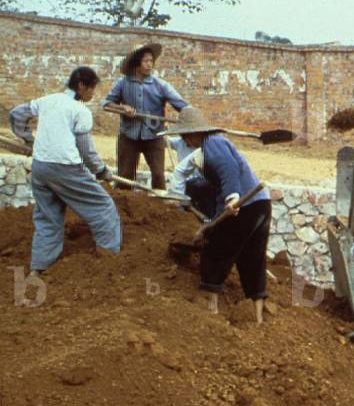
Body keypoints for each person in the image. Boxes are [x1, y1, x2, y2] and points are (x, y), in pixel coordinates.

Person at [158, 108, 271, 323]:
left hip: (244, 204)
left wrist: (231, 198)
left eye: (184, 136)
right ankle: (257, 318)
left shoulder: (214, 145)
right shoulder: (207, 148)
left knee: (217, 249)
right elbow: (216, 186)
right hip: (260, 204)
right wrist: (211, 220)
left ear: (192, 133)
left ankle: (212, 311)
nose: (184, 140)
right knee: (252, 257)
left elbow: (229, 171)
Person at [8, 67, 121, 273]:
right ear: (81, 86)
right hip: (66, 168)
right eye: (92, 88)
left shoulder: (47, 100)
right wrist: (101, 171)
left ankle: (39, 267)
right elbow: (86, 151)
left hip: (40, 167)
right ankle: (109, 260)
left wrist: (28, 139)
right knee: (103, 207)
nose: (93, 93)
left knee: (47, 217)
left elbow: (16, 115)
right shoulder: (80, 111)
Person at [103, 42, 189, 190]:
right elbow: (106, 104)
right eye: (146, 61)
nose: (150, 65)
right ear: (137, 63)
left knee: (158, 176)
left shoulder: (160, 85)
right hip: (128, 136)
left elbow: (181, 104)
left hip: (154, 136)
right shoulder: (123, 83)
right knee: (125, 177)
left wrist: (191, 115)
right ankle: (122, 209)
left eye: (151, 61)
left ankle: (159, 207)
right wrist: (122, 108)